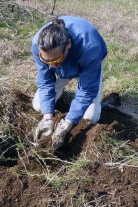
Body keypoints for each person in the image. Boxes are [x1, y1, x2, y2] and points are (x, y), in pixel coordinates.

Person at [32, 16, 108, 150]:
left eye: (55, 61)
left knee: (90, 118)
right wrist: (48, 118)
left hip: (88, 62)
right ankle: (61, 95)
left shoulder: (90, 48)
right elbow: (45, 81)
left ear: (68, 44)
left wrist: (68, 122)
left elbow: (87, 90)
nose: (50, 67)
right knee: (39, 105)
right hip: (64, 65)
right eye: (46, 61)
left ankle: (78, 107)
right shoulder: (38, 45)